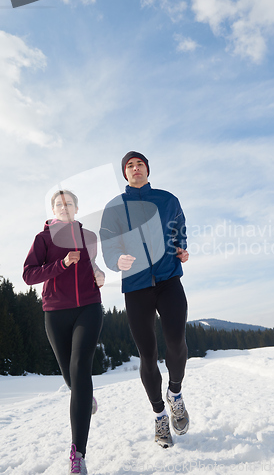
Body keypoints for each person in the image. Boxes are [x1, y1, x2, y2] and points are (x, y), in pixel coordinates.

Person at [100, 151, 189, 448]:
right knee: (148, 355)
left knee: (176, 341)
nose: (135, 169)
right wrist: (116, 261)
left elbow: (179, 228)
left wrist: (181, 248)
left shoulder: (167, 200)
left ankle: (175, 394)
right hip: (136, 287)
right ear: (125, 173)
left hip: (168, 280)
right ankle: (160, 415)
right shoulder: (115, 207)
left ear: (147, 170)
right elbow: (108, 243)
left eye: (140, 164)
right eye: (129, 165)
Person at [23, 190, 105, 475]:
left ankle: (78, 453)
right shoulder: (43, 239)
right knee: (70, 376)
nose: (64, 207)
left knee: (81, 368)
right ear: (54, 210)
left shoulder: (90, 237)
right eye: (59, 204)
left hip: (89, 308)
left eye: (69, 203)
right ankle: (84, 396)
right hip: (56, 312)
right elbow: (29, 275)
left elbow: (93, 265)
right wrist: (61, 264)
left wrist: (100, 275)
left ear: (77, 207)